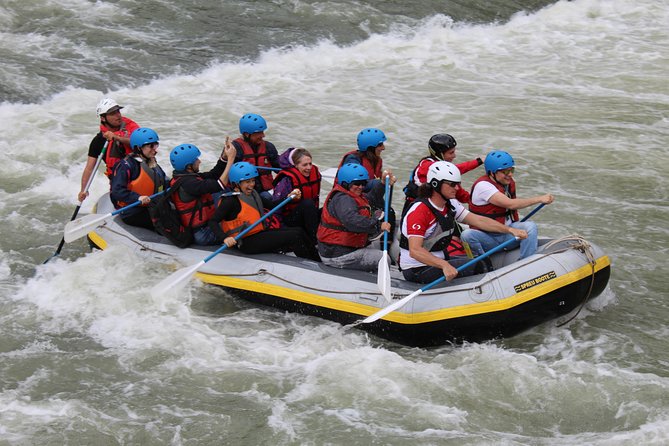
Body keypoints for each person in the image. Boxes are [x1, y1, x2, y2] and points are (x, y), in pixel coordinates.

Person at [400, 161, 528, 284]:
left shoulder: (450, 204)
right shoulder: (420, 211)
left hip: (439, 259)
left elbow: (479, 220)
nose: (457, 188)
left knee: (481, 261)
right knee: (479, 265)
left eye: (458, 184)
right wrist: (444, 265)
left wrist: (510, 230)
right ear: (435, 184)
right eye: (452, 184)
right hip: (417, 268)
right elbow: (415, 250)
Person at [209, 162, 320, 261]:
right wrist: (225, 238)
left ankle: (317, 260)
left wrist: (289, 197)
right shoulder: (230, 201)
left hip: (258, 234)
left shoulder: (253, 194)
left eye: (253, 180)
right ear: (236, 183)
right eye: (247, 182)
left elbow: (272, 206)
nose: (252, 184)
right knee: (294, 236)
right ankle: (310, 264)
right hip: (245, 242)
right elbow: (213, 221)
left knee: (299, 231)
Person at [460, 150, 554, 260]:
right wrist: (539, 199)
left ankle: (526, 263)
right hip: (487, 237)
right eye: (505, 171)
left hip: (507, 233)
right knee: (467, 235)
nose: (510, 174)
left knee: (530, 226)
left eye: (511, 170)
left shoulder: (506, 183)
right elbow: (510, 204)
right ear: (492, 173)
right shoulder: (483, 186)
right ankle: (483, 264)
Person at [317, 163, 392, 271]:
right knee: (383, 259)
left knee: (374, 246)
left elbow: (372, 198)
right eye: (357, 183)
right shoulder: (343, 199)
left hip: (347, 248)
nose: (361, 187)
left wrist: (383, 184)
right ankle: (371, 284)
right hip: (336, 253)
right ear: (345, 183)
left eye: (363, 183)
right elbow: (352, 221)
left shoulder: (354, 195)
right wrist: (378, 226)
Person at [169, 139, 236, 245]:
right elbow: (220, 184)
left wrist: (224, 157)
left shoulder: (185, 177)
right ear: (189, 166)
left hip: (206, 226)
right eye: (196, 160)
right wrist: (231, 160)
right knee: (239, 229)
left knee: (224, 193)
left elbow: (214, 174)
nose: (199, 161)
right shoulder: (189, 184)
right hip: (202, 233)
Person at [402, 133, 483, 216]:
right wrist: (479, 201)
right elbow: (459, 190)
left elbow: (455, 173)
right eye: (451, 153)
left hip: (433, 208)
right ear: (439, 154)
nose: (454, 156)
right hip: (415, 211)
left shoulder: (438, 168)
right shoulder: (428, 167)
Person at [338, 127, 397, 240]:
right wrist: (380, 182)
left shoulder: (376, 160)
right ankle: (374, 235)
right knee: (385, 213)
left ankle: (386, 244)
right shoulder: (353, 160)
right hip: (351, 197)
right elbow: (354, 183)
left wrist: (385, 182)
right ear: (370, 148)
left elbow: (376, 185)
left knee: (389, 212)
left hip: (366, 195)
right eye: (380, 145)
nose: (383, 148)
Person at [78, 98, 140, 202]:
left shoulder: (130, 127)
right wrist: (83, 190)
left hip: (139, 174)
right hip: (121, 184)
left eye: (118, 111)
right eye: (112, 113)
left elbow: (139, 143)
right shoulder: (99, 141)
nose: (118, 115)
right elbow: (89, 168)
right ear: (103, 118)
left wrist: (117, 138)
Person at [110, 127, 167, 230]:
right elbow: (117, 191)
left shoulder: (150, 161)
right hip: (132, 210)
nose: (155, 149)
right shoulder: (125, 166)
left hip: (151, 205)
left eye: (155, 144)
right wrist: (137, 198)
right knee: (167, 221)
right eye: (151, 146)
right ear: (138, 148)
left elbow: (163, 180)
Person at [272, 147, 322, 244]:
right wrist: (289, 198)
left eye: (310, 163)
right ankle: (314, 241)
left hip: (309, 217)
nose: (309, 167)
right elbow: (275, 206)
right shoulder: (286, 180)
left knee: (329, 206)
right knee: (308, 204)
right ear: (295, 166)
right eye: (304, 165)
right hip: (291, 220)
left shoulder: (315, 173)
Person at [226, 113, 280, 202]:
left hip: (266, 191)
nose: (263, 135)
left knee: (268, 197)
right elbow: (227, 173)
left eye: (262, 131)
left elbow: (280, 167)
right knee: (265, 198)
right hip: (245, 192)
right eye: (259, 132)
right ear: (247, 134)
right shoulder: (235, 148)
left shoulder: (268, 147)